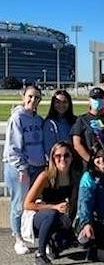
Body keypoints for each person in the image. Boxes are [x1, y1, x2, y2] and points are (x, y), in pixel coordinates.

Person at [3, 85, 46, 255]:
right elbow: (13, 148)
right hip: (19, 169)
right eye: (30, 96)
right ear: (23, 96)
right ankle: (18, 238)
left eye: (37, 97)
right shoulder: (17, 117)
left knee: (34, 203)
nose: (33, 100)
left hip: (36, 167)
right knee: (19, 204)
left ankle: (30, 235)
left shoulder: (38, 119)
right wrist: (22, 168)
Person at [24, 142, 77, 265]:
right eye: (58, 156)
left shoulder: (74, 176)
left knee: (65, 241)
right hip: (40, 217)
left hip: (61, 218)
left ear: (72, 157)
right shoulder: (46, 176)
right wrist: (54, 207)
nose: (62, 159)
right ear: (52, 158)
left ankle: (53, 243)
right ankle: (40, 254)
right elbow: (27, 204)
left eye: (66, 155)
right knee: (51, 214)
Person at [70, 87, 104, 172]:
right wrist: (91, 160)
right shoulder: (82, 120)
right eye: (94, 98)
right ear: (89, 100)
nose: (97, 101)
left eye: (100, 98)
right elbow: (77, 144)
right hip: (90, 168)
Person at [43, 90, 76, 157]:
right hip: (58, 161)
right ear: (53, 104)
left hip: (73, 161)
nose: (61, 105)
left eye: (64, 102)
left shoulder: (75, 121)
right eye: (57, 102)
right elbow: (49, 150)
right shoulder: (49, 123)